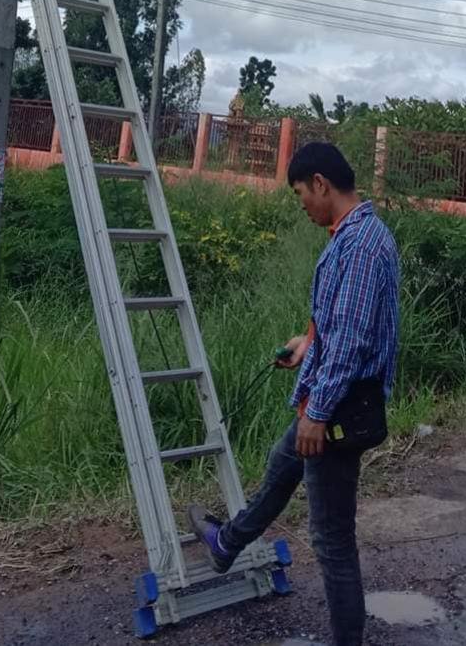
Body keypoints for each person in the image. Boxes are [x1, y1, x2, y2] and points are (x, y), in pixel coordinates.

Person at [188, 141, 400, 646]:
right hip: (326, 400)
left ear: (321, 184)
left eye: (302, 193)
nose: (301, 202)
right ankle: (227, 544)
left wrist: (318, 413)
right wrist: (307, 343)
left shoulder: (363, 245)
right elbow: (341, 326)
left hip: (336, 410)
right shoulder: (350, 236)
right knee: (280, 467)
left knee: (331, 539)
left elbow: (351, 343)